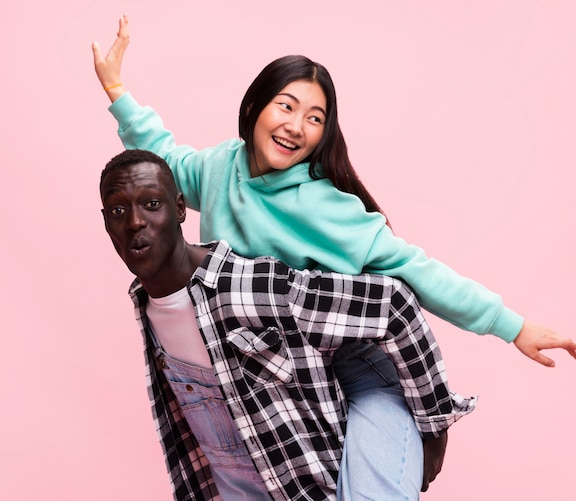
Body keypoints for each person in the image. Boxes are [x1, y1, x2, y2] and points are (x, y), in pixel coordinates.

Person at [92, 14, 576, 496]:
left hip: (358, 367)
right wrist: (117, 91)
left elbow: (414, 271)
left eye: (314, 118)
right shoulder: (221, 166)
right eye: (286, 107)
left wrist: (511, 325)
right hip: (299, 375)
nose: (296, 126)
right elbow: (162, 160)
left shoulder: (328, 207)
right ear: (255, 108)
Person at [100, 148, 475, 500]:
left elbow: (393, 304)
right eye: (118, 211)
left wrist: (433, 424)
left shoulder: (254, 286)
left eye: (152, 204)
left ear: (180, 208)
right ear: (106, 224)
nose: (135, 222)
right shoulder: (147, 310)